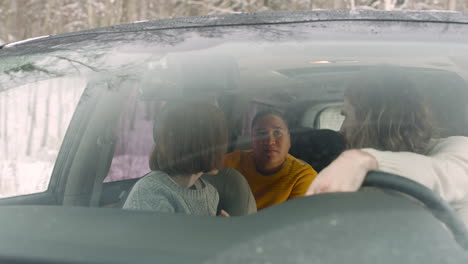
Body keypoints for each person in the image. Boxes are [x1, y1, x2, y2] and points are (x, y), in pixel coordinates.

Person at [307, 68, 468, 227]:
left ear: (372, 121)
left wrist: (361, 159)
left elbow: (446, 176)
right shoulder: (360, 179)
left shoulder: (458, 147)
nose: (342, 129)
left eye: (347, 116)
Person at [123, 102, 229, 216]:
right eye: (219, 140)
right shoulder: (150, 193)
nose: (223, 149)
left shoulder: (211, 194)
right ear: (201, 146)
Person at [225, 110, 318, 210]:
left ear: (289, 140)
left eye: (277, 133)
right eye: (262, 134)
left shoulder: (303, 177)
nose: (270, 141)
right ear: (252, 140)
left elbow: (294, 222)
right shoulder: (233, 160)